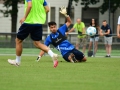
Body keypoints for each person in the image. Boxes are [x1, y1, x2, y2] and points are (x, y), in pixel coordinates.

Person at [8, 0, 58, 68]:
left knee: (18, 40)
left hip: (29, 22)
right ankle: (52, 55)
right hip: (38, 23)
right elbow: (47, 9)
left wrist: (24, 17)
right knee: (37, 43)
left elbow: (30, 5)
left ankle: (17, 61)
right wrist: (39, 15)